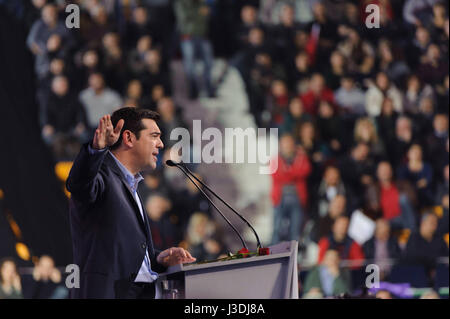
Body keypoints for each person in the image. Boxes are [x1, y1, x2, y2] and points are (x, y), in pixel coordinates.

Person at [66, 107, 196, 299]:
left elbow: (122, 250)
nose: (160, 144)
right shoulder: (101, 177)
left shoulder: (131, 184)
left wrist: (157, 258)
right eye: (154, 136)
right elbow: (78, 184)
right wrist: (95, 150)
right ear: (128, 138)